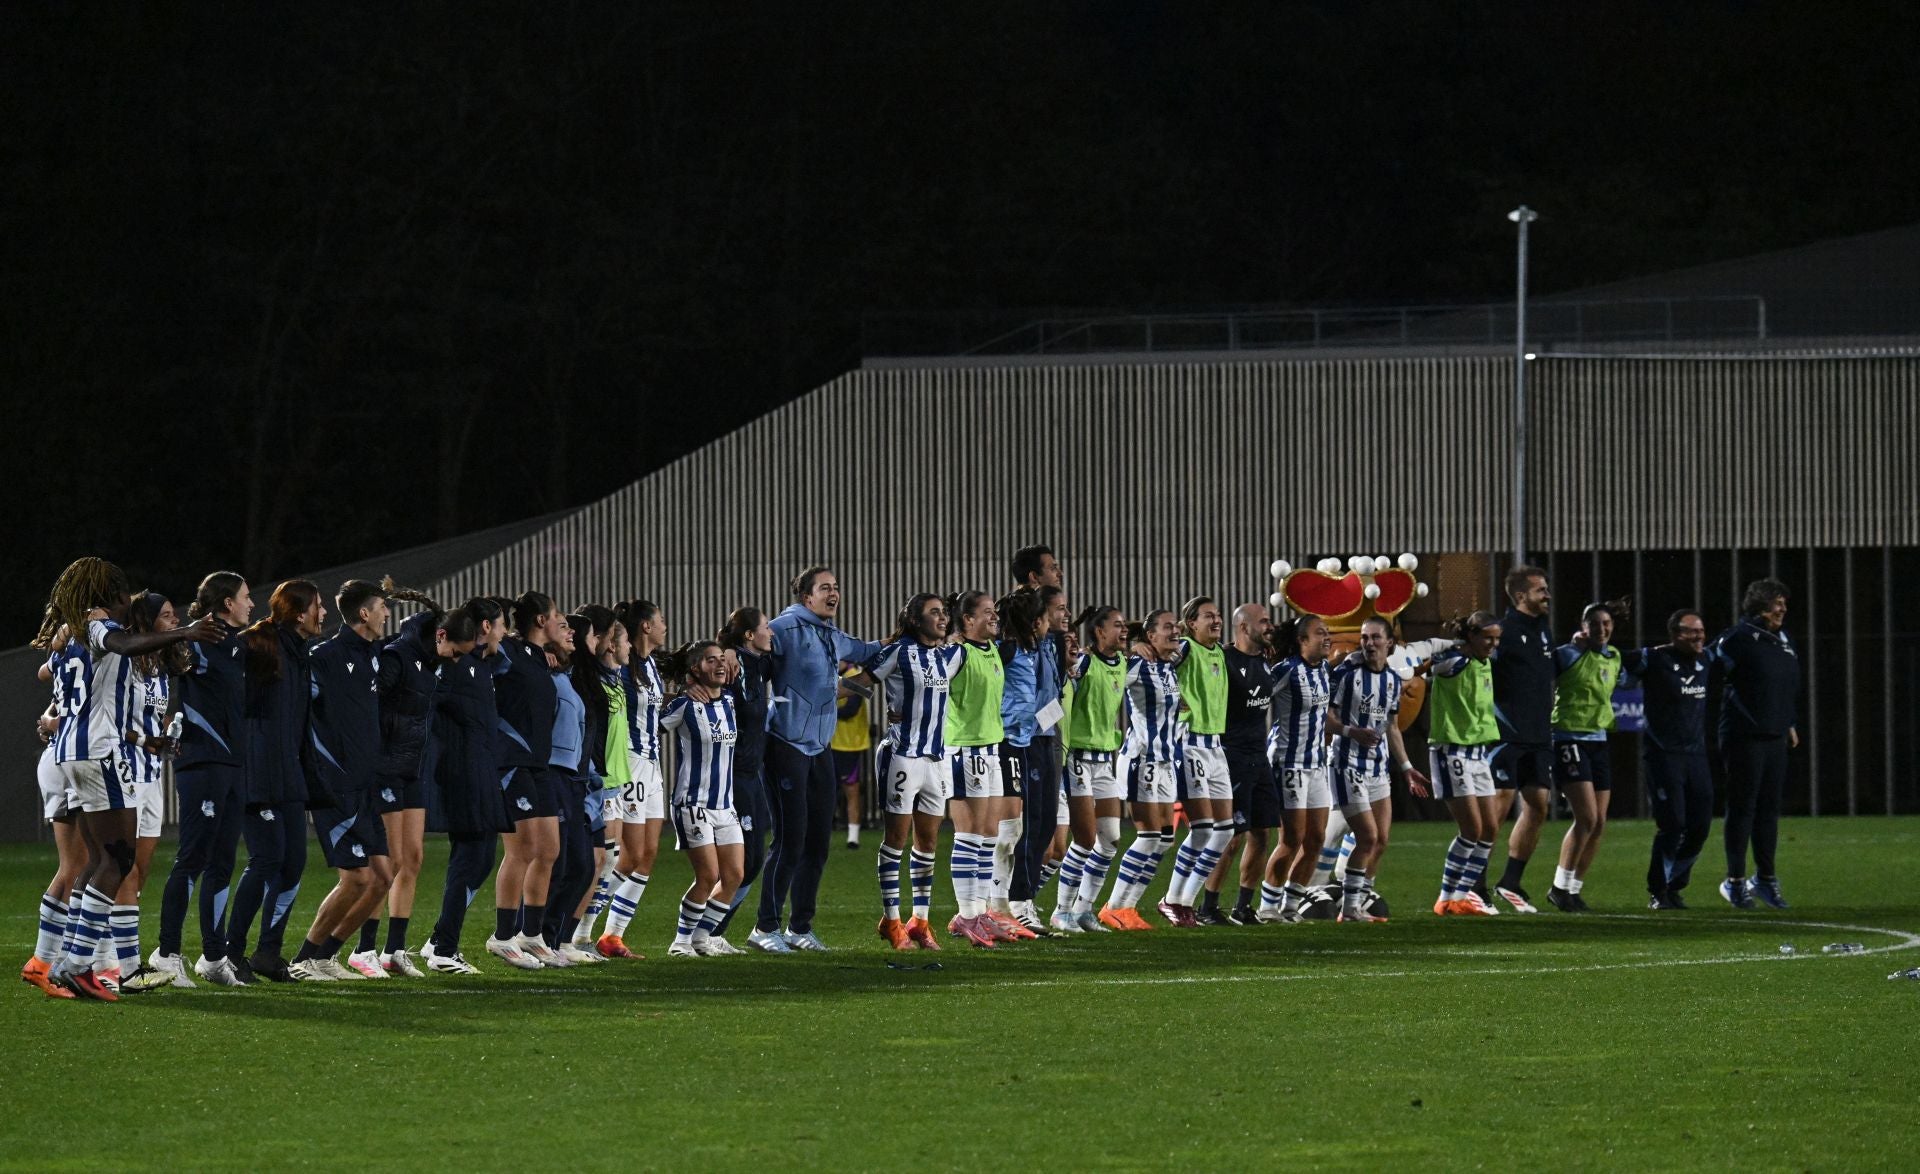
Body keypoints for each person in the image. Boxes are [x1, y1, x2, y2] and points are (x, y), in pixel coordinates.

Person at [34, 557, 218, 1000]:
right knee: (119, 860)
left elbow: (55, 672)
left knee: (98, 860)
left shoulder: (66, 635)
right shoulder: (95, 625)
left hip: (71, 754)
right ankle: (79, 964)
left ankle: (67, 960)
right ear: (112, 595)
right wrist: (185, 632)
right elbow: (118, 644)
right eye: (122, 593)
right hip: (100, 752)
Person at [752, 567, 886, 953]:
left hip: (819, 748)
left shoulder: (830, 633)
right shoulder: (785, 628)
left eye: (837, 586)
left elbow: (864, 651)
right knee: (790, 840)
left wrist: (902, 639)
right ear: (806, 597)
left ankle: (799, 928)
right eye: (825, 588)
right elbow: (746, 658)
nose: (834, 593)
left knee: (818, 843)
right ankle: (764, 927)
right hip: (786, 746)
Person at [289, 580, 396, 982]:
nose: (387, 614)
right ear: (364, 614)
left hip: (366, 785)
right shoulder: (325, 656)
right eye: (382, 607)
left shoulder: (373, 654)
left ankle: (324, 956)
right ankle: (303, 958)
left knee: (383, 877)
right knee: (357, 879)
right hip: (337, 785)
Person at [149, 572, 250, 988]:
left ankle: (213, 956)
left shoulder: (238, 646)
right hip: (201, 762)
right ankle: (166, 954)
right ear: (226, 603)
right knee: (192, 858)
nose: (251, 604)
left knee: (223, 861)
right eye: (245, 597)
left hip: (232, 765)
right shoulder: (194, 642)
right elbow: (156, 663)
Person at [227, 579, 327, 984]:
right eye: (319, 606)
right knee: (267, 859)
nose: (324, 614)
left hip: (288, 773)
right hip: (259, 773)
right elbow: (233, 702)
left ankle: (268, 952)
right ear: (300, 612)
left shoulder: (297, 653)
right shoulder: (256, 644)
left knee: (294, 863)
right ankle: (228, 954)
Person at [358, 581, 454, 977]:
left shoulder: (430, 662)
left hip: (413, 768)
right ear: (440, 636)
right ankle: (364, 948)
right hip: (386, 768)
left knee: (412, 858)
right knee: (389, 860)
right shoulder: (397, 656)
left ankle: (394, 951)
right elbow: (373, 707)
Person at [868, 594, 965, 948]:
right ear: (914, 619)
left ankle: (919, 921)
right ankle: (891, 920)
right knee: (896, 840)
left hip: (936, 760)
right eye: (933, 613)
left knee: (927, 844)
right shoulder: (898, 652)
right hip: (902, 755)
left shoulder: (951, 655)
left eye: (944, 612)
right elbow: (861, 681)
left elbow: (985, 643)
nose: (941, 618)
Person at [421, 598, 508, 974]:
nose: (505, 634)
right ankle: (444, 949)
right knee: (469, 858)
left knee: (482, 858)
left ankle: (438, 939)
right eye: (501, 625)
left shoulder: (477, 664)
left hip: (483, 770)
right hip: (464, 774)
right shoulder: (449, 667)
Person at [112, 591, 190, 992]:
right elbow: (105, 719)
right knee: (120, 867)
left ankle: (115, 951)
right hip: (122, 769)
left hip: (150, 774)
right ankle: (116, 960)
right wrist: (144, 740)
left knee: (139, 870)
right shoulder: (124, 661)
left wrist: (163, 739)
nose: (174, 621)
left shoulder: (159, 665)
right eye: (166, 615)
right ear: (145, 621)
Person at [943, 590, 1032, 943]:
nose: (994, 617)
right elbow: (930, 685)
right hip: (965, 750)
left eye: (995, 611)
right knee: (969, 837)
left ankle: (980, 913)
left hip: (992, 750)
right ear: (967, 620)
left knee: (989, 837)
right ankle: (967, 915)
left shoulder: (992, 649)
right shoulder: (956, 653)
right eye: (987, 612)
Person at [1325, 616, 1427, 922]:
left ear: (1389, 643)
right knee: (1366, 837)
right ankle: (1349, 908)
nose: (1369, 643)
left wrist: (1407, 767)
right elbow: (1326, 718)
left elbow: (1392, 728)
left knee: (1380, 840)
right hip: (1346, 764)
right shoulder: (1346, 673)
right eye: (1365, 637)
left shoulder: (1393, 681)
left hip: (1378, 769)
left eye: (1375, 638)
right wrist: (1350, 732)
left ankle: (1359, 898)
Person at [486, 592, 568, 969]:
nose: (560, 622)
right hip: (512, 763)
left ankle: (531, 934)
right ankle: (502, 937)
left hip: (539, 765)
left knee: (548, 848)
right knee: (522, 849)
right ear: (540, 621)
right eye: (556, 617)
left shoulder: (537, 658)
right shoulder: (509, 653)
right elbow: (484, 641)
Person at [1711, 579, 1800, 910]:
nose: (1783, 609)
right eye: (1777, 603)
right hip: (1743, 735)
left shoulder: (1783, 639)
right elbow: (1707, 669)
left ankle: (1764, 879)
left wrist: (1789, 721)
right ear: (1760, 605)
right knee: (1743, 807)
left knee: (1768, 811)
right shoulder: (1736, 638)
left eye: (1783, 603)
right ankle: (1734, 881)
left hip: (1775, 735)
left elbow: (1785, 684)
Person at [660, 641, 746, 957]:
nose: (720, 665)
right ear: (696, 669)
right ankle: (680, 942)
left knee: (735, 874)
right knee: (708, 876)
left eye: (722, 659)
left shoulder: (731, 702)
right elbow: (648, 726)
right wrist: (672, 697)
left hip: (725, 804)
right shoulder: (685, 705)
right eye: (711, 660)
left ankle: (701, 937)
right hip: (692, 803)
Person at [1256, 614, 1344, 924]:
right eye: (1320, 633)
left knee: (1316, 839)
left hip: (1316, 764)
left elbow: (1322, 718)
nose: (1327, 637)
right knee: (1291, 838)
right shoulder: (1285, 671)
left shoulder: (1323, 671)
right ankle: (1267, 906)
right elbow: (1254, 696)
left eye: (1327, 631)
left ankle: (1290, 906)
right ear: (1302, 641)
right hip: (1288, 763)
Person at [1418, 612, 1505, 916]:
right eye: (1487, 637)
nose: (1493, 643)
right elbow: (1419, 669)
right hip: (1451, 751)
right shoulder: (1453, 662)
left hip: (1478, 753)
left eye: (1497, 638)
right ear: (1471, 635)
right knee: (1472, 828)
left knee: (1490, 829)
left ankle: (1462, 895)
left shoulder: (1485, 663)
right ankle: (1447, 897)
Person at [1625, 610, 1711, 910]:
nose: (1699, 636)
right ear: (1675, 634)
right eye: (1692, 631)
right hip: (1663, 756)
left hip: (1696, 756)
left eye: (1701, 630)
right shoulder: (1655, 658)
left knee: (1700, 826)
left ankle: (1675, 884)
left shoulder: (1706, 660)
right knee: (1673, 824)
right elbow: (1615, 659)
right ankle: (1658, 891)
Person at [598, 600, 669, 959]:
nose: (665, 625)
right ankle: (579, 931)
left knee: (648, 854)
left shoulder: (652, 664)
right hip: (631, 761)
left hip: (653, 765)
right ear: (644, 626)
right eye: (660, 620)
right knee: (627, 856)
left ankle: (612, 936)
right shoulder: (624, 668)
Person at [1545, 601, 1627, 913]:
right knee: (1587, 817)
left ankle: (1572, 889)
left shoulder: (1614, 657)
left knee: (1599, 823)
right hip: (1568, 736)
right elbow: (1541, 676)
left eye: (1607, 624)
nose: (1602, 629)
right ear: (1584, 626)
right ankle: (1558, 886)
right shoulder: (1567, 654)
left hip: (1599, 739)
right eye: (1596, 624)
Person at [1103, 610, 1181, 930]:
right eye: (1168, 627)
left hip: (1165, 760)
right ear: (1151, 637)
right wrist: (1129, 649)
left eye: (1176, 626)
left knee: (1164, 838)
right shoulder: (1136, 666)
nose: (1175, 631)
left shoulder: (1169, 666)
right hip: (1141, 758)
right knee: (1148, 835)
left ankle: (1129, 907)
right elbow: (1105, 668)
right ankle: (1115, 906)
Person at [1160, 597, 1233, 927]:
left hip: (1216, 746)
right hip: (1190, 744)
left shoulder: (1218, 652)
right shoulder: (1185, 648)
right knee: (1204, 829)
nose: (1216, 620)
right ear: (1191, 623)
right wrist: (1177, 707)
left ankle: (1184, 901)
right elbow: (1159, 667)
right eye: (1208, 616)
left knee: (1224, 831)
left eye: (1217, 616)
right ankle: (1172, 899)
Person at [1489, 565, 1555, 914]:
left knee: (1538, 805)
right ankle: (1473, 884)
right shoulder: (1504, 632)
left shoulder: (1542, 629)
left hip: (1539, 736)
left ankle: (1510, 882)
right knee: (1497, 808)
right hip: (1507, 735)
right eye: (1540, 590)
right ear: (1520, 597)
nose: (1547, 595)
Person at [1059, 605, 1129, 933]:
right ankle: (1062, 911)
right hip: (1079, 761)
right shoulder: (1085, 662)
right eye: (1117, 626)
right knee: (1085, 839)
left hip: (1106, 762)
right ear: (1099, 632)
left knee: (1111, 839)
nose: (1124, 630)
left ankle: (1085, 910)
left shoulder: (1124, 663)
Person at [713, 607, 776, 946]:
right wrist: (724, 651)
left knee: (752, 862)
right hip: (731, 775)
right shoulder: (730, 667)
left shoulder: (759, 664)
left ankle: (713, 931)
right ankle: (705, 931)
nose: (772, 632)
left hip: (752, 775)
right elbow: (699, 665)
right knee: (744, 861)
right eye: (767, 627)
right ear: (750, 635)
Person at [25, 652, 85, 998]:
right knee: (77, 865)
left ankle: (62, 959)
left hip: (63, 759)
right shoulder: (97, 646)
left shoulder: (74, 648)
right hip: (67, 761)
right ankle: (49, 961)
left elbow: (48, 679)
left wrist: (51, 718)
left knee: (83, 864)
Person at [1212, 602, 1277, 927]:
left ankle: (1242, 906)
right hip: (1232, 756)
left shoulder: (1267, 661)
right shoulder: (1224, 659)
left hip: (1259, 757)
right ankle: (1208, 906)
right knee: (1231, 836)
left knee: (1262, 834)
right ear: (1243, 627)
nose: (1269, 626)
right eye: (1263, 621)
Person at [570, 615, 630, 953]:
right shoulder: (590, 681)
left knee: (611, 861)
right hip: (600, 779)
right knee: (598, 861)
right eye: (624, 641)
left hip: (617, 780)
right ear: (609, 643)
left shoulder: (616, 678)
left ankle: (581, 934)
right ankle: (575, 934)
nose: (630, 647)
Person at [1012, 584, 1069, 929]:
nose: (1063, 615)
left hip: (1048, 738)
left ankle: (1025, 898)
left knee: (1046, 823)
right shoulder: (1020, 649)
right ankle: (1017, 902)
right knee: (1030, 825)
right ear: (1038, 617)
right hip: (1028, 740)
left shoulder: (1054, 644)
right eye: (1057, 609)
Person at [991, 590, 1044, 930]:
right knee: (1008, 830)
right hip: (1005, 742)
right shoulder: (1007, 650)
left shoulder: (1030, 652)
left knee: (1018, 829)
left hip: (1024, 743)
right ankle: (996, 908)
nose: (1046, 623)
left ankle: (1002, 906)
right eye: (1042, 617)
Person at [832, 666, 870, 851]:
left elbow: (851, 709)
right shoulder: (832, 674)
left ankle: (853, 837)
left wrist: (820, 706)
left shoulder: (855, 676)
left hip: (849, 744)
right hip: (829, 743)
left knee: (851, 790)